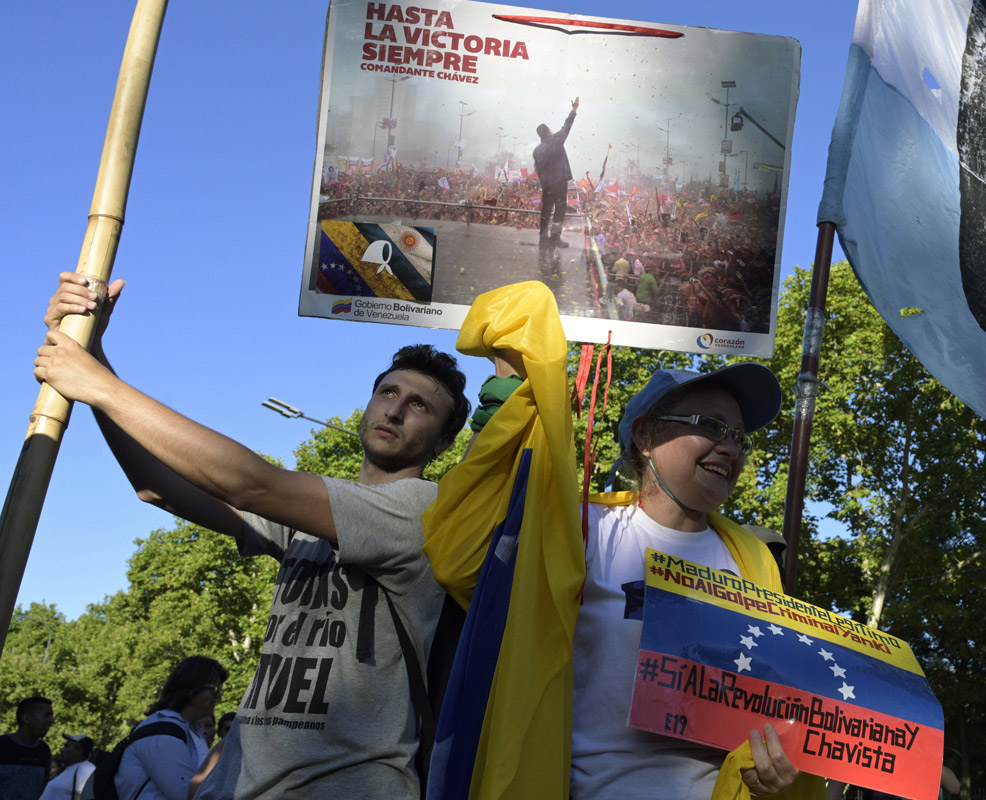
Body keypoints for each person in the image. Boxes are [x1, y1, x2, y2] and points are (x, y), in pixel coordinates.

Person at [36, 273, 471, 800]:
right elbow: (158, 488)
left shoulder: (422, 509)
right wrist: (96, 356)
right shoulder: (314, 513)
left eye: (420, 405)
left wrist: (99, 386)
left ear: (445, 441)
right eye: (388, 392)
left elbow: (247, 484)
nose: (396, 410)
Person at [423, 282, 820, 799]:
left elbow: (781, 711)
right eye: (710, 426)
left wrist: (781, 770)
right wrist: (514, 379)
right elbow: (464, 556)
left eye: (739, 436)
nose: (730, 447)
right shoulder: (583, 531)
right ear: (645, 435)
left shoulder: (755, 566)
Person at [114, 657, 225, 800]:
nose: (219, 696)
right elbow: (188, 795)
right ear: (193, 686)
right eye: (215, 689)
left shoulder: (191, 729)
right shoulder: (161, 732)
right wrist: (228, 742)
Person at [533, 97, 579, 250]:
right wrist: (574, 110)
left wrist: (545, 181)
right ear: (548, 131)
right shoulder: (556, 140)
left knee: (546, 209)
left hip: (547, 185)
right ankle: (555, 238)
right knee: (559, 209)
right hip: (559, 182)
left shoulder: (537, 150)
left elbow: (538, 170)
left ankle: (542, 237)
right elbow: (567, 126)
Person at [0, 697, 54, 800]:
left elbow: (43, 785)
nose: (51, 720)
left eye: (51, 716)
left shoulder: (43, 750)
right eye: (46, 715)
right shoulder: (2, 745)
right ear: (26, 718)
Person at [36, 735, 94, 800]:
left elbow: (87, 796)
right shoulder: (67, 769)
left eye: (66, 746)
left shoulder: (86, 769)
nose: (61, 749)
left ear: (79, 750)